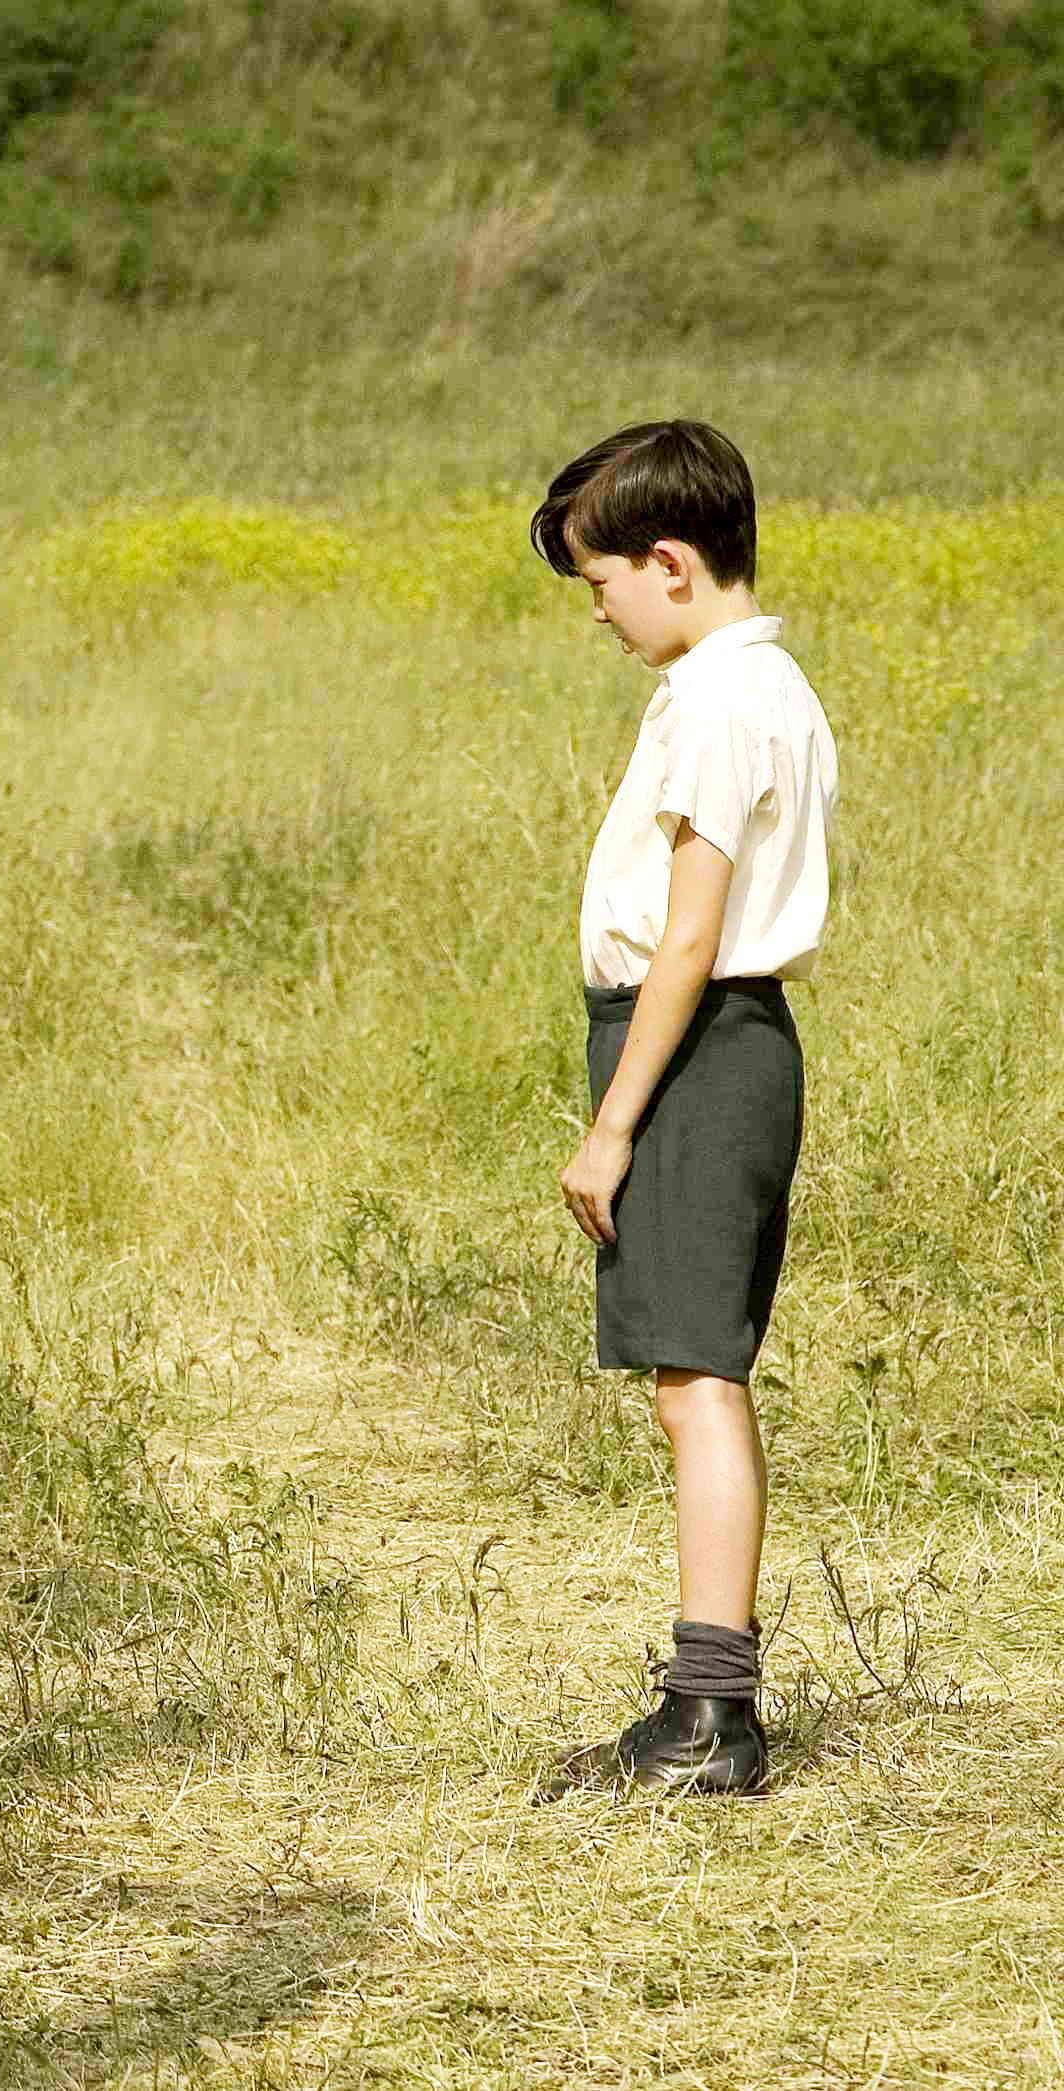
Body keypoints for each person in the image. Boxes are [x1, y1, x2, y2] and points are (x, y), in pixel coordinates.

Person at [530, 420, 838, 1798]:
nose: (597, 612)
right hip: (717, 1045)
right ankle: (708, 1702)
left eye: (600, 583)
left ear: (669, 560)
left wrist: (614, 1120)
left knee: (696, 1381)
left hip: (698, 1045)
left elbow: (692, 933)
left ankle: (712, 1712)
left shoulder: (721, 700)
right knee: (692, 1374)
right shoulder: (760, 684)